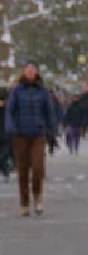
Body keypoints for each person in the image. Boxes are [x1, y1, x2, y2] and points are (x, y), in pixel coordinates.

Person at [4, 62, 59, 216]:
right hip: (20, 134)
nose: (30, 73)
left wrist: (52, 131)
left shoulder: (43, 91)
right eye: (27, 70)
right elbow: (10, 110)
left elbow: (49, 111)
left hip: (38, 133)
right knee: (22, 170)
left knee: (37, 168)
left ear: (36, 73)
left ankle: (37, 197)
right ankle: (24, 203)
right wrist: (10, 128)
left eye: (32, 70)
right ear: (24, 72)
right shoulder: (16, 91)